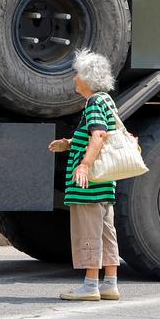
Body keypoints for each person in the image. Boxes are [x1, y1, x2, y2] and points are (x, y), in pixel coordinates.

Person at [49, 49, 121, 302]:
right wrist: (68, 143)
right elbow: (100, 133)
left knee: (89, 232)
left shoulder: (93, 103)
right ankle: (109, 284)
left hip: (88, 184)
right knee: (105, 232)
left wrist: (83, 166)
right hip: (104, 182)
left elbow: (99, 135)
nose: (74, 79)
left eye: (77, 74)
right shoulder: (106, 101)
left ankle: (91, 285)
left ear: (88, 78)